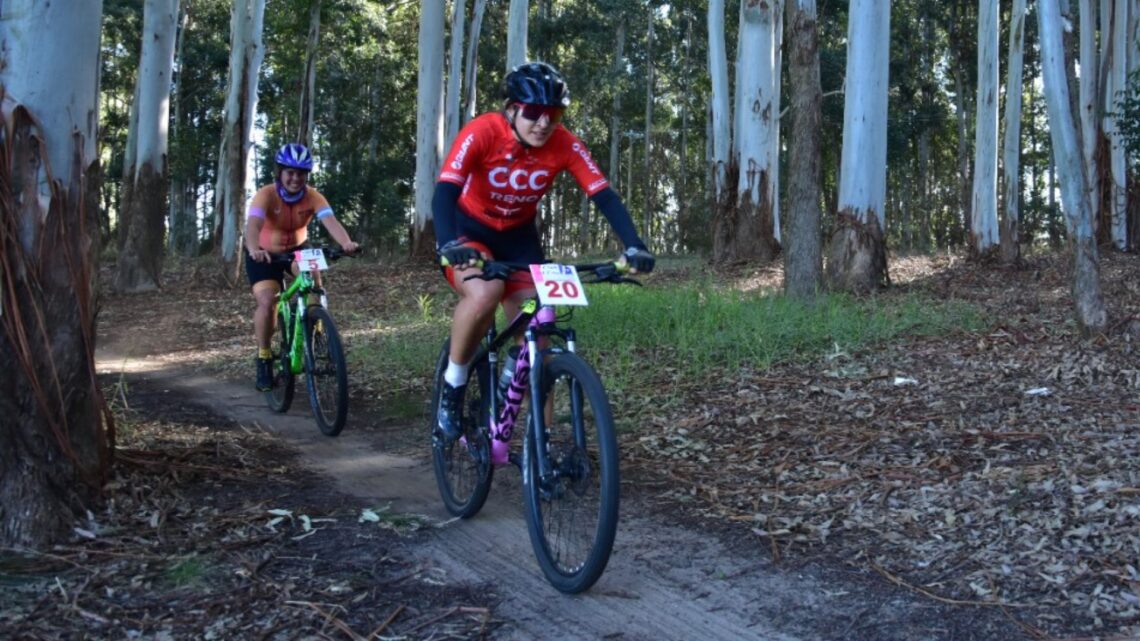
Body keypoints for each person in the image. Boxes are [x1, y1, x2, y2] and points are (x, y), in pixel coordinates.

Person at [431, 61, 655, 440]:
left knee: (540, 332)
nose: (543, 123)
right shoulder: (484, 130)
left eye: (553, 114)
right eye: (533, 113)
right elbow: (445, 190)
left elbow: (604, 196)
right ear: (512, 109)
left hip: (519, 237)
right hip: (469, 231)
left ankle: (542, 448)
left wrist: (634, 245)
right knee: (486, 293)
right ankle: (453, 385)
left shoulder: (565, 143)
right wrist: (448, 243)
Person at [245, 142, 359, 391]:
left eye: (301, 173)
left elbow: (330, 221)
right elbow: (252, 225)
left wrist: (346, 242)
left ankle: (313, 327)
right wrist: (254, 248)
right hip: (264, 255)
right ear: (280, 173)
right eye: (290, 172)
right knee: (268, 301)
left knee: (314, 287)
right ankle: (264, 356)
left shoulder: (313, 196)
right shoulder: (266, 194)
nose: (296, 178)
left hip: (297, 249)